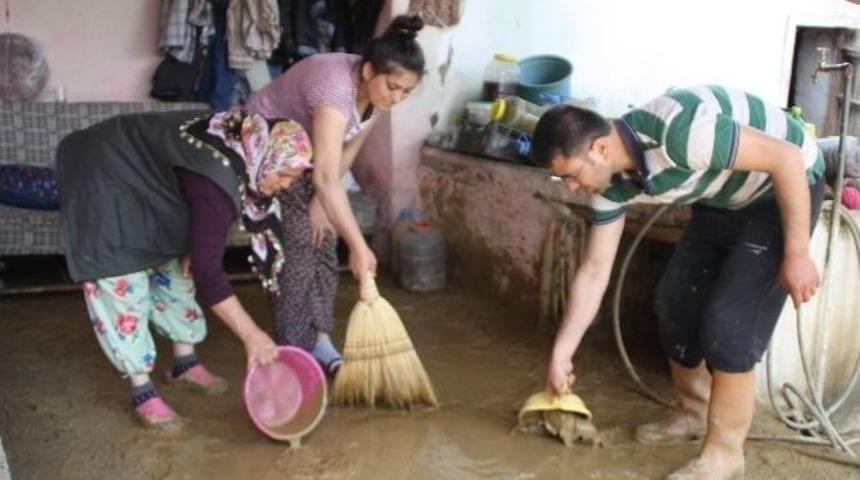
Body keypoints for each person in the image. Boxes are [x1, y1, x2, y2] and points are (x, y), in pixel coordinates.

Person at [532, 85, 825, 480]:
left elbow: (786, 158)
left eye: (570, 175)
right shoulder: (611, 184)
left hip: (781, 190)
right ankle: (692, 412)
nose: (570, 187)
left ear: (600, 149)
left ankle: (725, 454)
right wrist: (561, 353)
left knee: (728, 325)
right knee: (673, 303)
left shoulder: (680, 132)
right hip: (721, 201)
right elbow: (595, 269)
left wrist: (797, 254)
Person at [57, 109, 311, 430]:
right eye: (284, 175)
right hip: (103, 171)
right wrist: (252, 335)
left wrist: (198, 246)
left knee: (178, 272)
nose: (285, 186)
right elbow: (210, 274)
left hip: (149, 184)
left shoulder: (242, 151)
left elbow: (204, 229)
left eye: (293, 178)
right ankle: (142, 390)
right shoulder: (217, 177)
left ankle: (183, 364)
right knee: (124, 284)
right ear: (265, 157)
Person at [243, 14, 425, 374]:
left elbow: (349, 147)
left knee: (323, 238)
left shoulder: (377, 95)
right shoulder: (334, 88)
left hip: (307, 156)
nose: (399, 97)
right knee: (296, 248)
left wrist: (320, 204)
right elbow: (325, 176)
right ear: (370, 71)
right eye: (394, 87)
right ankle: (293, 351)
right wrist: (359, 246)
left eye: (407, 91)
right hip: (265, 153)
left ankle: (321, 340)